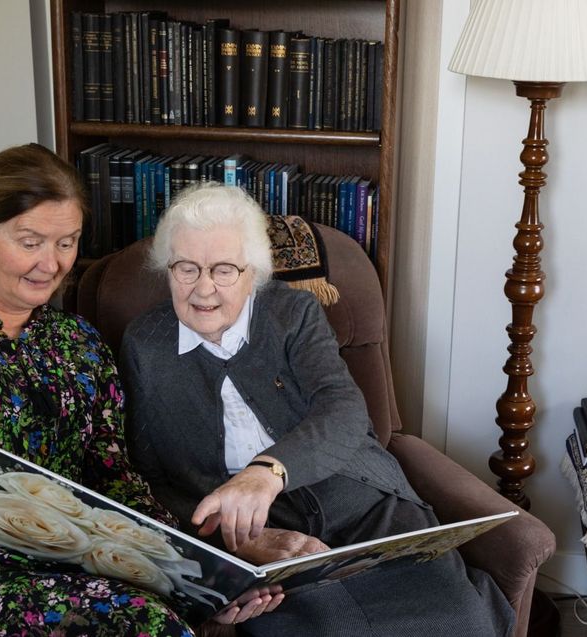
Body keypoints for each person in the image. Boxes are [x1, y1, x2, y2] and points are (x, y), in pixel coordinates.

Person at [0, 144, 279, 635]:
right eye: (31, 241)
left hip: (53, 559)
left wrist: (198, 574)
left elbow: (113, 480)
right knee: (135, 624)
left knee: (157, 614)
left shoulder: (80, 346)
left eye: (67, 242)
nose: (51, 263)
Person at [121, 183, 515, 636]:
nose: (203, 288)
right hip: (254, 536)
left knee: (459, 617)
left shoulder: (293, 314)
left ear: (253, 273)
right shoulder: (145, 344)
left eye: (224, 269)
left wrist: (265, 473)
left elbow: (344, 408)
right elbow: (149, 476)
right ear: (166, 269)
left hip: (359, 500)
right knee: (322, 627)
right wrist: (225, 541)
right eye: (186, 268)